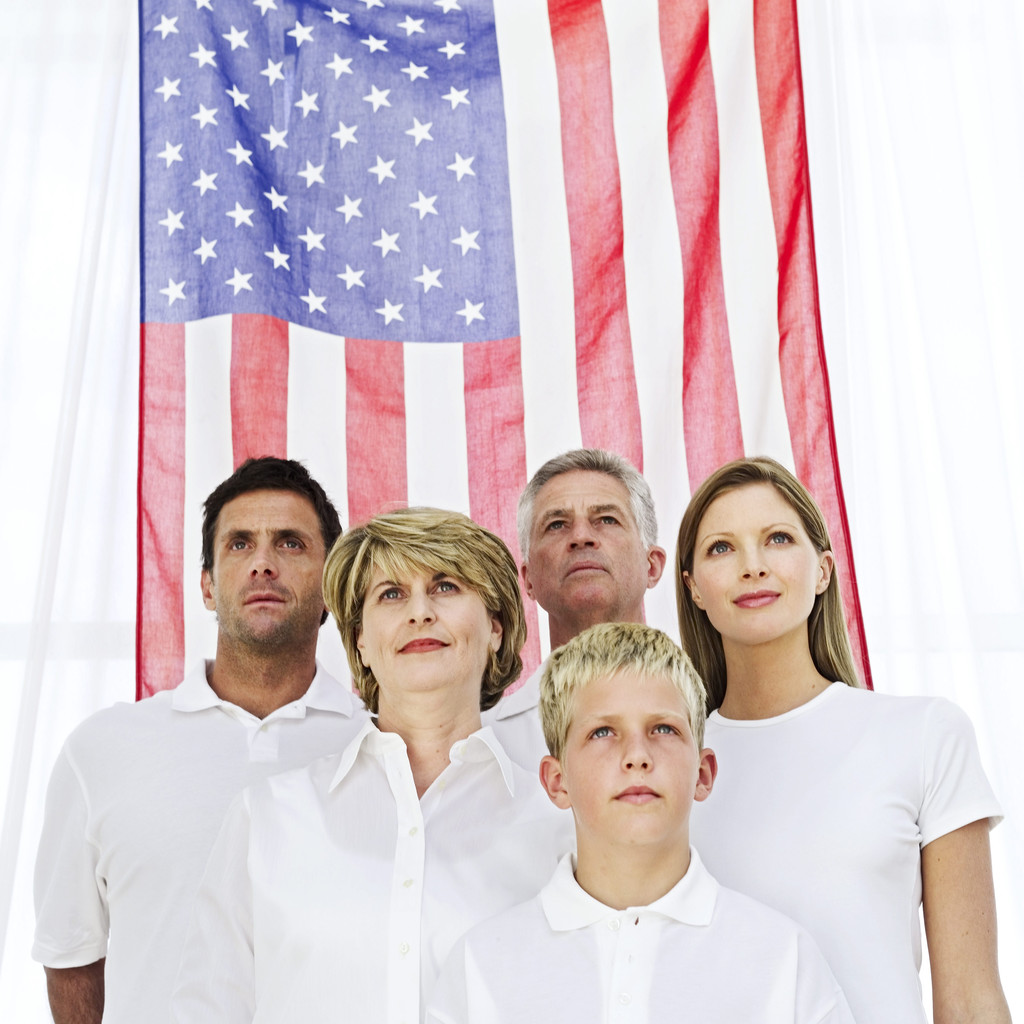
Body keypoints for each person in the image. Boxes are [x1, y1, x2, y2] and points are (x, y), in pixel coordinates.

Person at [172, 507, 573, 1024]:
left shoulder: (562, 826)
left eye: (446, 586)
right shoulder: (267, 816)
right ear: (360, 641)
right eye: (391, 594)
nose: (419, 612)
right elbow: (207, 1009)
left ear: (496, 627)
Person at [32, 457, 368, 1024]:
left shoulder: (382, 744)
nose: (262, 564)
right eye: (239, 544)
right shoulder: (102, 750)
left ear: (331, 585)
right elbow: (71, 958)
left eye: (289, 544)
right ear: (208, 586)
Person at [676, 456, 1010, 1024]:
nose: (752, 566)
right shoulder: (664, 764)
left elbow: (972, 1002)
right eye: (721, 548)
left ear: (823, 570)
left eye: (777, 538)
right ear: (694, 590)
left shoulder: (926, 735)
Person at [427, 622, 856, 1024]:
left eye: (663, 729)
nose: (637, 756)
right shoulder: (480, 967)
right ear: (557, 782)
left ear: (703, 774)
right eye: (603, 733)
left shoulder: (782, 959)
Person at [483, 449, 666, 768]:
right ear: (528, 580)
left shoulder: (712, 714)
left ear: (651, 565)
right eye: (556, 525)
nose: (581, 537)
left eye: (607, 520)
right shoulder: (491, 745)